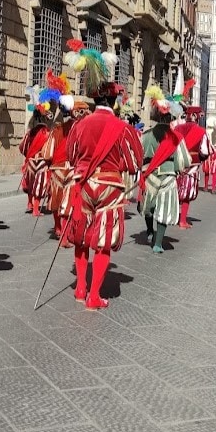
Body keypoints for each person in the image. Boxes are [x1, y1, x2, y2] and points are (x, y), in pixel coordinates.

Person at [65, 77, 142, 309]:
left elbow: (71, 155)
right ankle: (94, 296)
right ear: (114, 100)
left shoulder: (80, 124)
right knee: (103, 241)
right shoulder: (123, 127)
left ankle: (80, 288)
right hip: (110, 185)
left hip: (84, 185)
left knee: (81, 237)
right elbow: (133, 162)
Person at [139, 87, 192, 253]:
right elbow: (184, 160)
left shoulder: (146, 135)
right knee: (164, 209)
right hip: (168, 175)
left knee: (148, 206)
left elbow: (140, 155)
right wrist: (177, 169)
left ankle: (149, 231)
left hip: (149, 175)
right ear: (170, 117)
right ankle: (158, 243)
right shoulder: (176, 137)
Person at [42, 79, 90, 241]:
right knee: (68, 201)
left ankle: (57, 228)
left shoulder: (56, 129)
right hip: (72, 169)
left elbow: (47, 153)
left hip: (56, 170)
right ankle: (65, 235)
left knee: (56, 201)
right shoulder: (83, 130)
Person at [19, 88, 56, 216]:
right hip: (41, 162)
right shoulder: (46, 133)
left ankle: (29, 204)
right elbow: (50, 149)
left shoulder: (30, 133)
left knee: (30, 184)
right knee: (39, 185)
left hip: (30, 162)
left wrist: (28, 156)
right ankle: (35, 208)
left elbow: (22, 147)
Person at [174, 107, 210, 228]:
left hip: (176, 163)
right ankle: (182, 220)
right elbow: (204, 151)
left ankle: (172, 216)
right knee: (187, 193)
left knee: (175, 190)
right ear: (195, 116)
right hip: (192, 165)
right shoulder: (201, 131)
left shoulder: (177, 128)